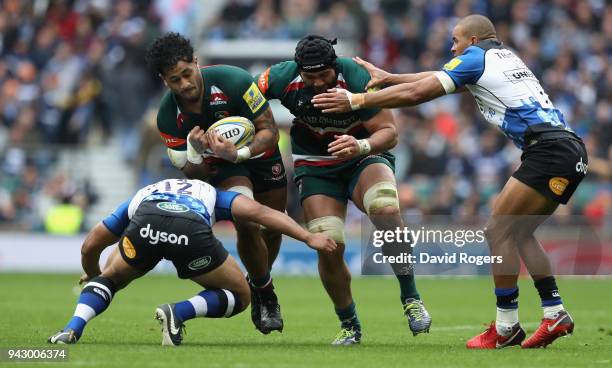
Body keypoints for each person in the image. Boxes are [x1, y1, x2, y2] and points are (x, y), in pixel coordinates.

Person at [312, 15, 588, 349]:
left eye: (455, 40)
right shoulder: (502, 56)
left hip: (547, 151)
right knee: (519, 232)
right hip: (568, 149)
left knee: (497, 231)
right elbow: (435, 77)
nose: (451, 46)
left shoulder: (474, 57)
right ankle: (554, 311)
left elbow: (419, 92)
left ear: (472, 40)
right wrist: (391, 77)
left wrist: (357, 100)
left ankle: (506, 326)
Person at [256, 35, 431, 345]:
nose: (319, 82)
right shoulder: (280, 77)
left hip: (364, 153)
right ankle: (349, 323)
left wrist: (360, 144)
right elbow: (243, 97)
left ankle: (411, 298)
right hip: (315, 163)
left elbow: (389, 133)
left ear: (334, 67)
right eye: (310, 77)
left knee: (385, 208)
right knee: (328, 242)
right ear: (299, 71)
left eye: (324, 75)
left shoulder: (356, 77)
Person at [47, 178, 336, 345]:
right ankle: (179, 312)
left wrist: (94, 274)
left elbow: (90, 244)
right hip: (189, 230)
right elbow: (262, 213)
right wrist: (308, 237)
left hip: (145, 224)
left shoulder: (146, 191)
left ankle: (72, 328)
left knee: (111, 277)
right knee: (240, 294)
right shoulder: (212, 193)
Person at [145, 32, 287, 334]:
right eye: (175, 80)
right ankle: (266, 292)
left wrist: (238, 152)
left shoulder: (235, 81)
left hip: (260, 155)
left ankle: (258, 278)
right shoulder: (168, 118)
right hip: (221, 168)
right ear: (164, 80)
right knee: (247, 219)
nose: (184, 84)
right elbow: (198, 179)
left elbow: (270, 131)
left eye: (187, 73)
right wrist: (195, 151)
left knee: (274, 227)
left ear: (196, 62)